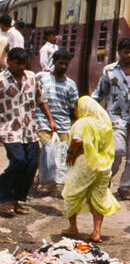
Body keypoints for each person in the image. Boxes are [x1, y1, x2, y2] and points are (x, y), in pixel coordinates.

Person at [94, 37, 130, 201]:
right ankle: (106, 179)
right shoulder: (109, 71)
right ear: (119, 52)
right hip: (116, 117)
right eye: (126, 52)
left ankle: (125, 188)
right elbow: (100, 93)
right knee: (117, 150)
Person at [62, 97, 119, 242]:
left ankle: (73, 227)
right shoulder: (103, 123)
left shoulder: (83, 122)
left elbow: (77, 140)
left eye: (76, 108)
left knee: (71, 192)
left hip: (86, 163)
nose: (75, 111)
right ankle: (96, 232)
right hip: (103, 165)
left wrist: (70, 153)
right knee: (98, 196)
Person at [0, 48, 40, 216]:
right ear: (8, 61)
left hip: (30, 129)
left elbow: (41, 99)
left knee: (31, 164)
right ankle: (4, 197)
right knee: (18, 160)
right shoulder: (1, 80)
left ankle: (17, 199)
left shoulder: (31, 77)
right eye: (17, 63)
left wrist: (50, 120)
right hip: (9, 129)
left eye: (23, 63)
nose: (21, 67)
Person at [35, 48, 78, 192]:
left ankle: (52, 184)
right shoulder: (41, 77)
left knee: (61, 157)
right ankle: (42, 178)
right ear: (53, 62)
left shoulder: (71, 85)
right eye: (60, 63)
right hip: (42, 121)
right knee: (45, 151)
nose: (63, 67)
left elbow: (74, 107)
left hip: (63, 125)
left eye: (66, 64)